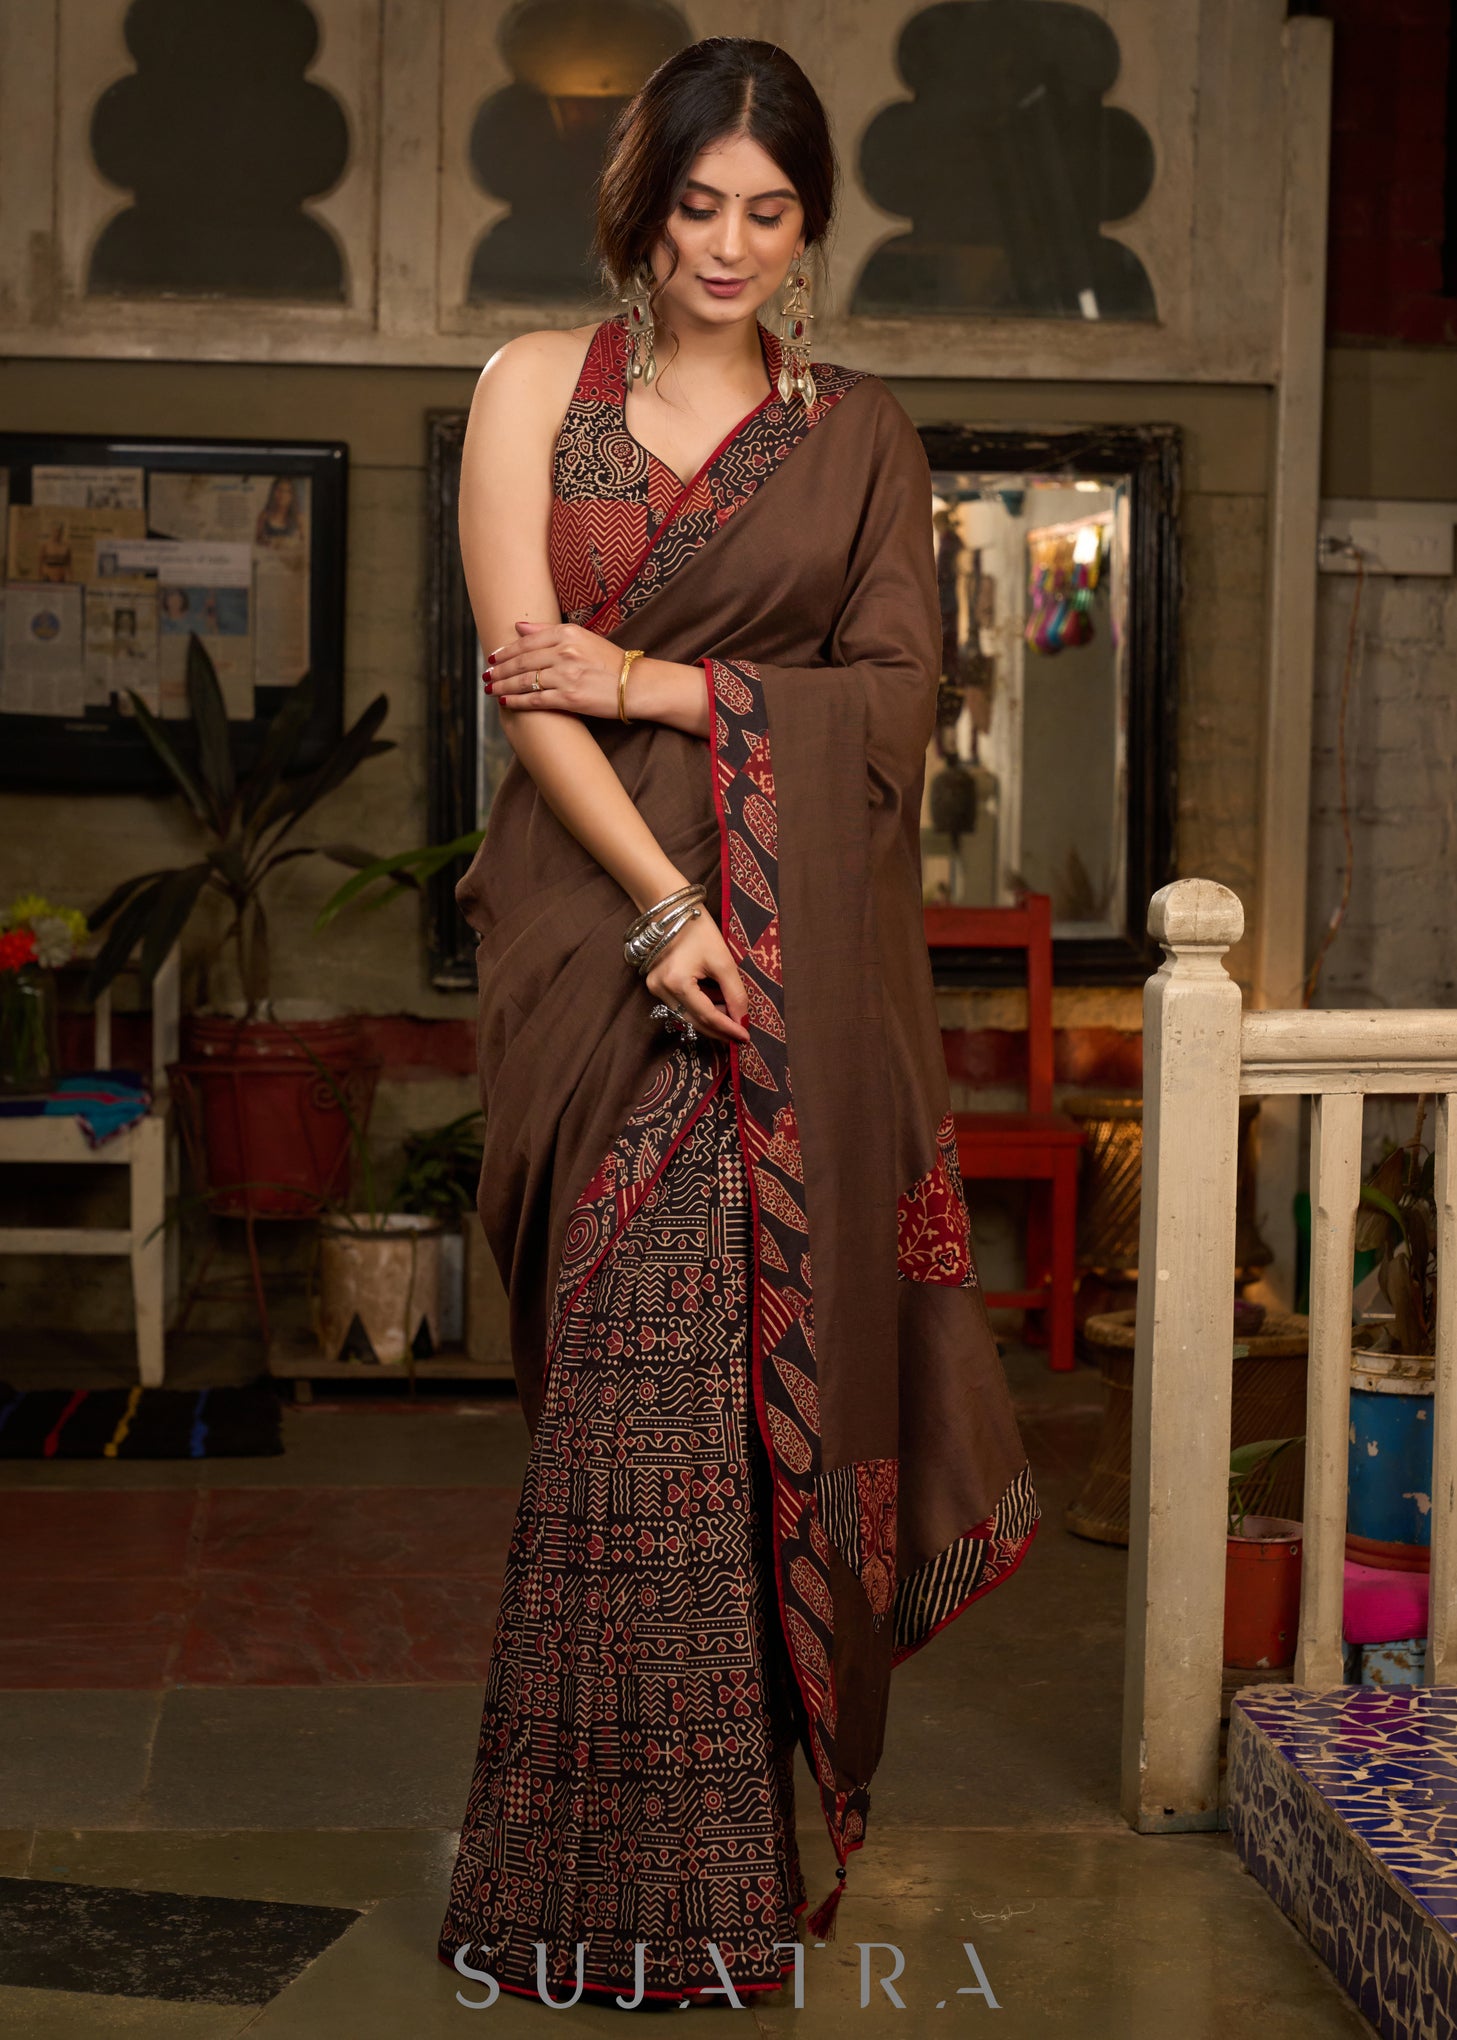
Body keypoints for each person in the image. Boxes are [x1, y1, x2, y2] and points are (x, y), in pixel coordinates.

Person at [438, 36, 1041, 2013]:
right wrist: (663, 905)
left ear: (809, 229)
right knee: (618, 1400)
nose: (728, 243)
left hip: (790, 975)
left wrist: (663, 683)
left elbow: (899, 700)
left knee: (727, 1407)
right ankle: (559, 1882)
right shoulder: (535, 389)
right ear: (645, 203)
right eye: (698, 203)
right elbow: (524, 681)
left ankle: (709, 1882)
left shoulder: (856, 435)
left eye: (768, 213)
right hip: (594, 936)